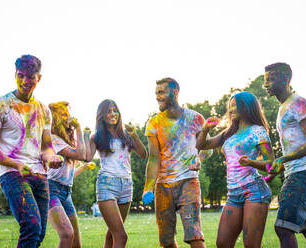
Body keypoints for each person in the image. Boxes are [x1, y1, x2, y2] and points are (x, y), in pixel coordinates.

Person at [0, 54, 63, 247]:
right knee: (31, 226)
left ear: (39, 78)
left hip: (40, 175)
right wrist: (16, 164)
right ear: (15, 74)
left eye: (31, 76)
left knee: (39, 234)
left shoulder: (44, 109)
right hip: (13, 173)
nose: (26, 81)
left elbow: (46, 147)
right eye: (21, 75)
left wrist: (52, 157)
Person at [196, 91, 274, 248]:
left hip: (254, 191)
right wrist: (205, 130)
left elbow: (271, 164)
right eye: (229, 107)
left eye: (234, 106)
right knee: (223, 243)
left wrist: (252, 162)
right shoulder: (229, 133)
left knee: (251, 245)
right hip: (233, 194)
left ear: (246, 107)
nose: (230, 111)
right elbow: (201, 145)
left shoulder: (258, 131)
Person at [264, 62, 306, 248]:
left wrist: (284, 159)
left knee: (283, 228)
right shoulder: (283, 107)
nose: (267, 84)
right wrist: (279, 166)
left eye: (271, 79)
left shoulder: (298, 103)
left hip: (304, 173)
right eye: (266, 80)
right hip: (297, 172)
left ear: (286, 79)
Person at [142, 78, 211, 248]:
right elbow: (153, 158)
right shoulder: (154, 123)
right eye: (156, 93)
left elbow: (207, 148)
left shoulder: (196, 118)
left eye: (161, 92)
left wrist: (198, 159)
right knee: (166, 241)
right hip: (163, 186)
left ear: (175, 92)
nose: (157, 97)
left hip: (188, 181)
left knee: (194, 234)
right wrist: (147, 187)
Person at [85, 99, 147, 248]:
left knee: (112, 234)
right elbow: (87, 157)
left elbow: (143, 154)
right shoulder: (97, 136)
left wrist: (135, 136)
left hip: (126, 185)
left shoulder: (126, 135)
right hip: (107, 184)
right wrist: (85, 136)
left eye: (115, 110)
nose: (113, 114)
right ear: (102, 116)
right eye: (109, 111)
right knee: (121, 236)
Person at [47, 101, 93, 248]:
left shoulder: (64, 141)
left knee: (76, 245)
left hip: (66, 193)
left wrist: (85, 135)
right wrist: (78, 128)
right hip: (51, 192)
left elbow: (84, 157)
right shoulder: (53, 139)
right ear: (55, 118)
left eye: (68, 113)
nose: (68, 117)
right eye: (64, 114)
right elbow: (80, 154)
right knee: (67, 234)